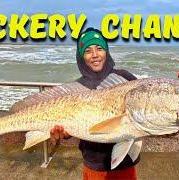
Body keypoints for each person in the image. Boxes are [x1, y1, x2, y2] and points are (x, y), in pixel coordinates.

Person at [50, 27, 139, 180]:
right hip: (93, 165)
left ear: (107, 51)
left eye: (99, 48)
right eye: (88, 51)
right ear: (81, 57)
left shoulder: (125, 78)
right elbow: (70, 125)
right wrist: (63, 134)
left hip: (126, 165)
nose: (95, 55)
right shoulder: (76, 89)